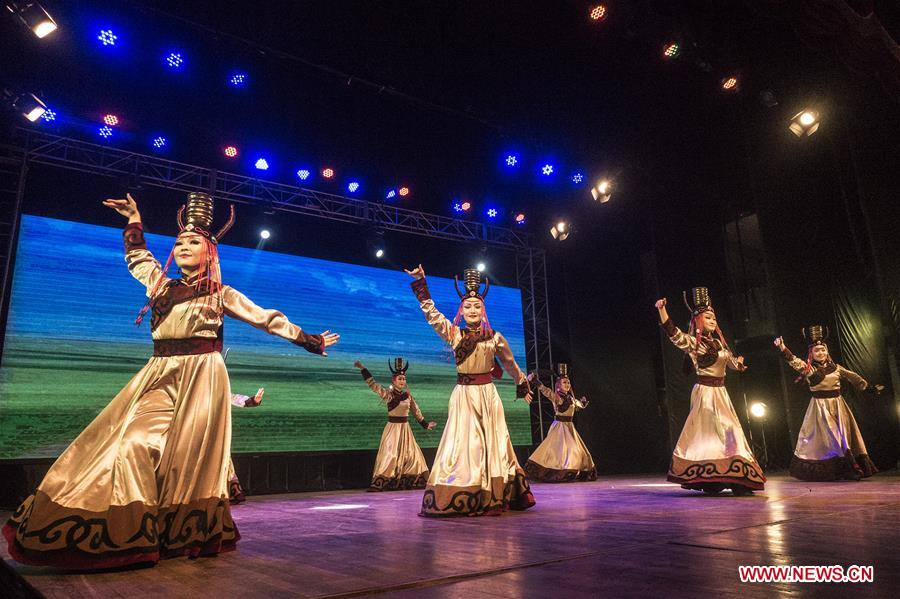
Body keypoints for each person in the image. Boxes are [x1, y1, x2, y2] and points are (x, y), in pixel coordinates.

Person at [4, 192, 339, 569]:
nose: (183, 246)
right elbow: (138, 259)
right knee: (133, 441)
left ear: (209, 251)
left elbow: (267, 319)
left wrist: (309, 339)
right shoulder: (161, 287)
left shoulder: (220, 294)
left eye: (193, 242)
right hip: (160, 374)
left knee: (186, 461)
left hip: (202, 378)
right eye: (179, 242)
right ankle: (130, 530)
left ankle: (170, 533)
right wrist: (134, 220)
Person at [405, 265, 535, 516]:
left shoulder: (494, 337)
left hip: (487, 395)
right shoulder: (454, 334)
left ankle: (492, 491)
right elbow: (432, 315)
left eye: (477, 306)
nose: (472, 310)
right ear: (461, 311)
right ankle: (465, 488)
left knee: (491, 444)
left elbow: (509, 363)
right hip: (463, 395)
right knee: (463, 445)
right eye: (468, 307)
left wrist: (521, 382)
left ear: (483, 309)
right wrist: (421, 283)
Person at [655, 288, 765, 495]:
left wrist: (739, 365)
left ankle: (736, 475)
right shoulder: (693, 343)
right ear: (697, 320)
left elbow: (731, 363)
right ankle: (711, 476)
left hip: (721, 393)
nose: (713, 320)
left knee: (730, 431)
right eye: (708, 317)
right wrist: (662, 310)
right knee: (710, 434)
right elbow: (673, 333)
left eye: (714, 317)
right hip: (705, 393)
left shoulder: (718, 343)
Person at [775, 326, 882, 481]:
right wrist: (783, 348)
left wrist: (869, 388)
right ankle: (842, 469)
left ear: (827, 351)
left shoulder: (836, 368)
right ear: (811, 353)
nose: (821, 353)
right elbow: (794, 361)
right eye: (817, 351)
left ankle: (848, 468)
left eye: (823, 350)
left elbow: (854, 377)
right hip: (820, 408)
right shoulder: (809, 369)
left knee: (842, 437)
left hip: (838, 406)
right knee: (831, 438)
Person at [354, 358, 436, 491]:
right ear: (394, 380)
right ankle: (385, 481)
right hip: (392, 429)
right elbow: (373, 385)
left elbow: (416, 411)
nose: (402, 381)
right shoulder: (389, 395)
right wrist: (363, 369)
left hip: (405, 430)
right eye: (400, 379)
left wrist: (425, 424)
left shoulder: (408, 396)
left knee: (412, 455)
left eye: (404, 379)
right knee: (390, 455)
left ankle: (407, 480)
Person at [524, 364, 597, 482]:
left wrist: (582, 403)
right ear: (559, 384)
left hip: (569, 427)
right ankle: (564, 473)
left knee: (580, 452)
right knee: (565, 452)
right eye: (564, 383)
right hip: (560, 427)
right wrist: (536, 382)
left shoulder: (571, 398)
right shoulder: (558, 397)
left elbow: (578, 405)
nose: (567, 385)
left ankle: (572, 472)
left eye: (568, 383)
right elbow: (546, 392)